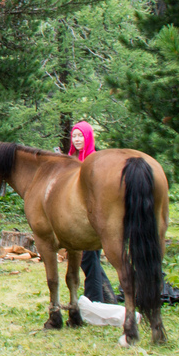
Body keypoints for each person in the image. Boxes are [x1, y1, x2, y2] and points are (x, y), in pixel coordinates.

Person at [68, 121, 121, 305]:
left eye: (80, 136)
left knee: (89, 257)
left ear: (88, 137)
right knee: (88, 259)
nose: (76, 140)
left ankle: (96, 299)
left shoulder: (95, 159)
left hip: (93, 215)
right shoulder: (71, 158)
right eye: (74, 136)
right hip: (76, 216)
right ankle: (107, 298)